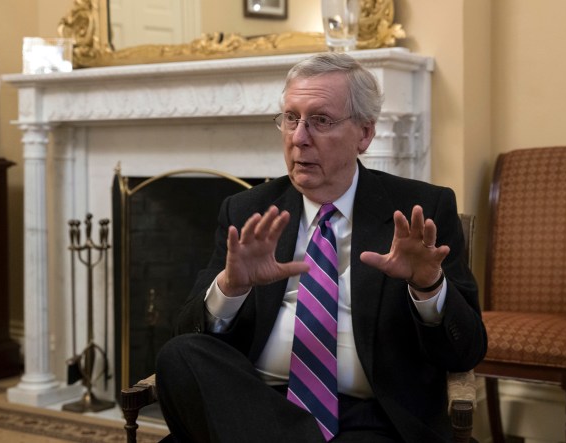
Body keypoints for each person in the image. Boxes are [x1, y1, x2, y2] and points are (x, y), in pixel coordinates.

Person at [155, 52, 487, 443]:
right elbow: (191, 334)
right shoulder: (248, 211)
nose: (298, 137)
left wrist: (429, 286)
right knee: (179, 353)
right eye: (291, 118)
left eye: (321, 120)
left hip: (373, 418)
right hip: (256, 406)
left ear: (364, 134)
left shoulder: (419, 213)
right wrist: (231, 288)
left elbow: (466, 351)